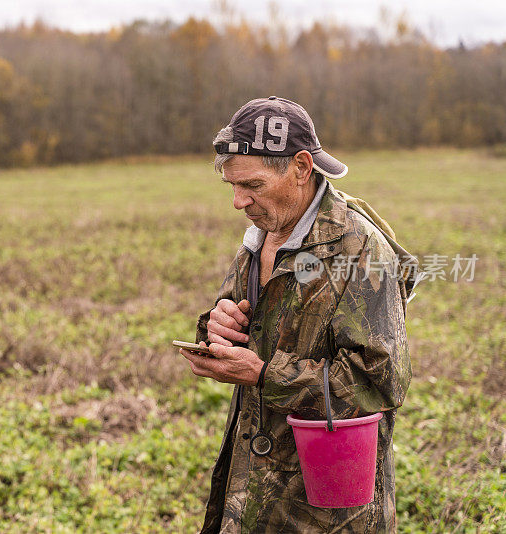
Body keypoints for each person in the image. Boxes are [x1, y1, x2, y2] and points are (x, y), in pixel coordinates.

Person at [179, 96, 418, 533]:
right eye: (232, 185)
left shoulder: (361, 251)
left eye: (251, 185)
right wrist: (217, 324)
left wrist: (264, 374)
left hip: (326, 507)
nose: (237, 201)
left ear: (302, 168)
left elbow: (379, 382)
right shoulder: (262, 234)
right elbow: (243, 324)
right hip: (250, 490)